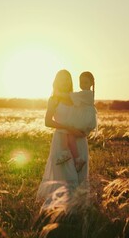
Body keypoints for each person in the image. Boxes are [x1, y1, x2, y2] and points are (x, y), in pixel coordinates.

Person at [36, 69, 90, 203]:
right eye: (62, 79)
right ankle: (62, 210)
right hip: (61, 141)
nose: (65, 82)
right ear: (57, 82)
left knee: (80, 175)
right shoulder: (54, 99)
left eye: (68, 79)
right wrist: (68, 128)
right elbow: (47, 121)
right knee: (66, 176)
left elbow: (86, 115)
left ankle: (78, 210)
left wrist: (84, 130)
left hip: (79, 140)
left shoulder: (76, 98)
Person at [54, 71, 97, 172]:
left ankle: (65, 153)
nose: (83, 85)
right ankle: (77, 159)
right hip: (83, 118)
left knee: (66, 127)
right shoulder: (85, 94)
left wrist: (58, 94)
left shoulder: (87, 93)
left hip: (84, 119)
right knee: (70, 135)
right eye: (81, 82)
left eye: (86, 82)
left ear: (91, 83)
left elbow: (70, 96)